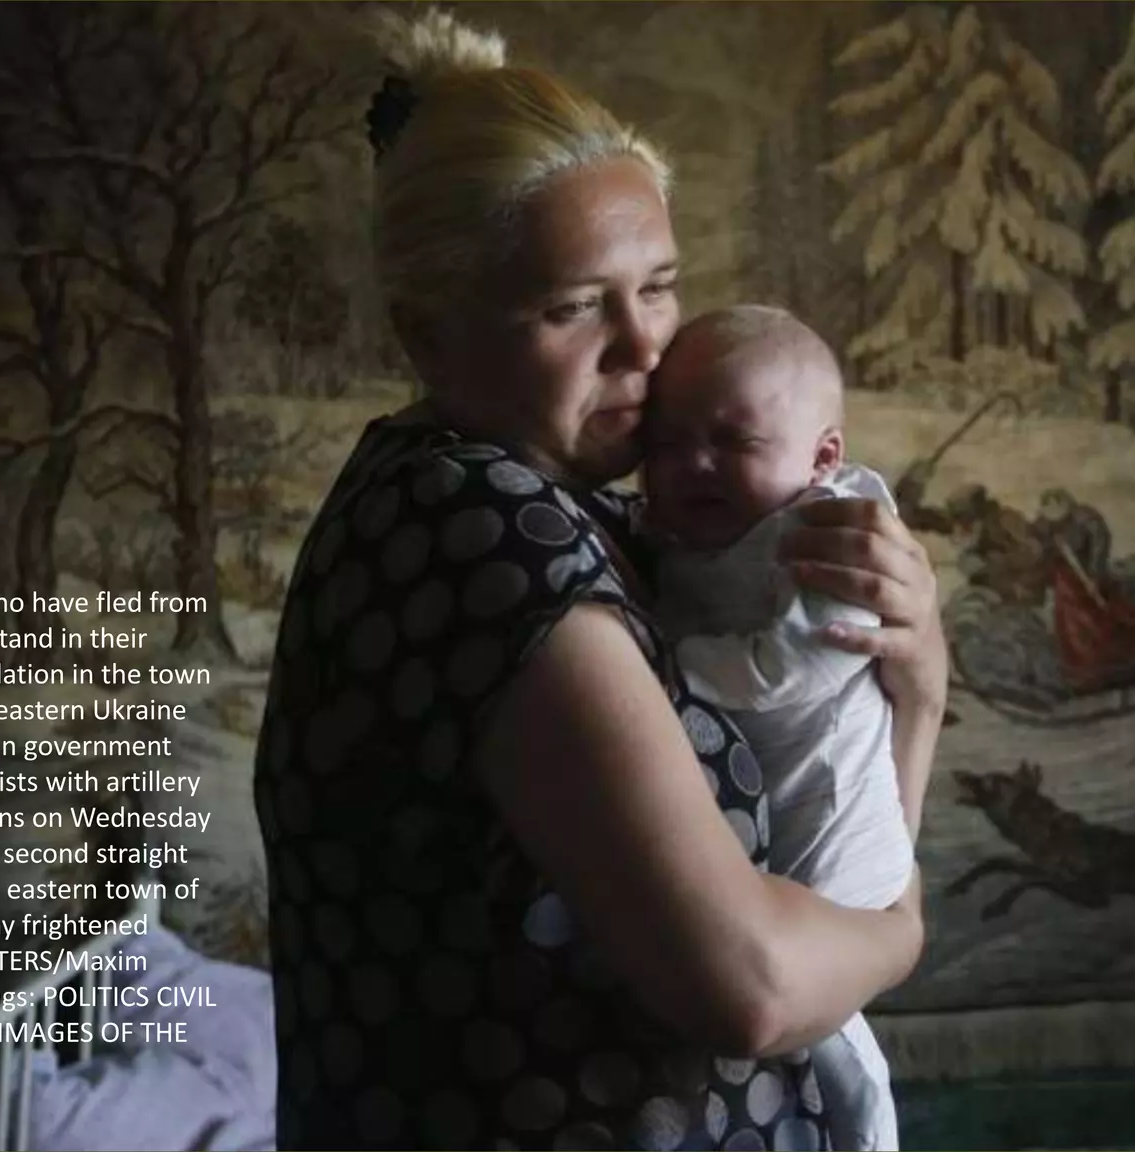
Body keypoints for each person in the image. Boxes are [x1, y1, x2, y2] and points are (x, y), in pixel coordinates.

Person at [252, 11, 949, 1150]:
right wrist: (906, 927)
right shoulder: (474, 532)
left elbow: (823, 847)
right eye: (573, 306)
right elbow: (757, 986)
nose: (643, 346)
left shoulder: (604, 523)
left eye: (658, 286)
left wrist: (910, 689)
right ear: (428, 333)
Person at [642, 305, 913, 1151]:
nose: (695, 464)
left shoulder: (837, 529)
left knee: (825, 1025)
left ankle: (870, 1134)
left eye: (734, 441)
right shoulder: (684, 527)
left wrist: (668, 668)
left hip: (841, 836)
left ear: (822, 456)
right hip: (780, 822)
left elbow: (795, 666)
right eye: (669, 441)